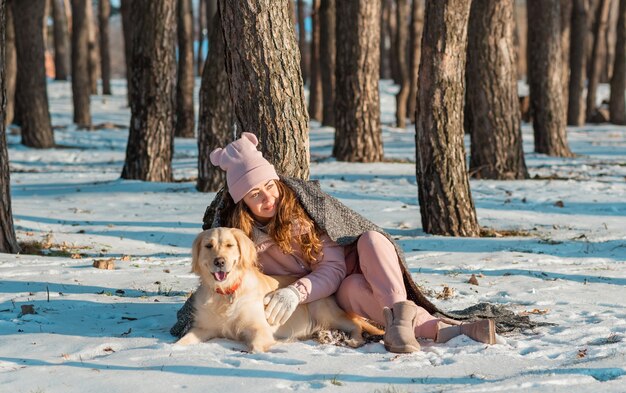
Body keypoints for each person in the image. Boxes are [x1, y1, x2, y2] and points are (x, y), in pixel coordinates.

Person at [171, 132, 496, 353]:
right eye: (255, 194)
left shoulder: (305, 210)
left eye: (270, 186)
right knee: (354, 290)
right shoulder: (241, 243)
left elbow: (334, 265)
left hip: (366, 267)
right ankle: (450, 331)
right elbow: (221, 279)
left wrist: (296, 291)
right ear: (244, 203)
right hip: (341, 293)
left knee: (372, 239)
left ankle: (405, 320)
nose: (267, 197)